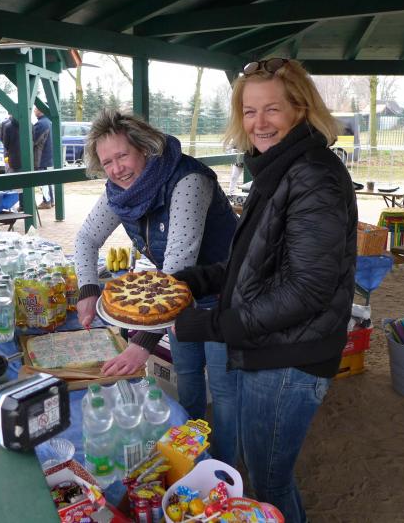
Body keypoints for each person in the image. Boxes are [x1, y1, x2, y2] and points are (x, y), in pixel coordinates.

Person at [171, 59, 358, 522]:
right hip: (270, 346)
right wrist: (199, 279)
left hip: (291, 357)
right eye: (249, 111)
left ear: (300, 109)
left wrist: (213, 325)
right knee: (260, 470)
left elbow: (307, 290)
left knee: (269, 480)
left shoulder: (314, 175)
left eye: (272, 109)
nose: (259, 122)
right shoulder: (278, 167)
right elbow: (257, 262)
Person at [73, 109, 239, 465]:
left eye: (122, 156)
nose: (116, 169)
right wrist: (88, 290)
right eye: (107, 162)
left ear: (145, 149)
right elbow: (86, 238)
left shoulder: (188, 180)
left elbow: (179, 263)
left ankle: (223, 468)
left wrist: (142, 342)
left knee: (224, 389)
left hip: (225, 293)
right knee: (187, 375)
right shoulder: (121, 192)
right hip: (178, 297)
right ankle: (190, 457)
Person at [33, 107, 54, 209]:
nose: (34, 111)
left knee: (42, 181)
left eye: (35, 109)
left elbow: (34, 140)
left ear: (40, 110)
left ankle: (47, 201)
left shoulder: (40, 124)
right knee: (47, 180)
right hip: (48, 155)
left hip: (41, 157)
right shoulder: (49, 121)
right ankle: (51, 200)